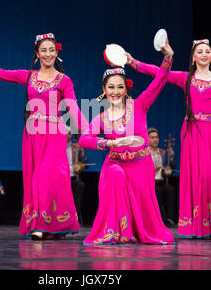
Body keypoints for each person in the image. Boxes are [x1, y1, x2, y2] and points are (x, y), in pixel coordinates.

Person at [0, 33, 87, 240]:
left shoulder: (64, 80)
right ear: (37, 54)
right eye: (43, 50)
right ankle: (46, 225)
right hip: (33, 134)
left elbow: (73, 108)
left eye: (51, 50)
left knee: (47, 176)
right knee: (35, 178)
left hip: (54, 133)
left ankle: (44, 224)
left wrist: (88, 130)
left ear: (57, 53)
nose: (47, 54)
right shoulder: (29, 76)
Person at [127, 39, 211, 238]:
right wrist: (134, 62)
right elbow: (159, 73)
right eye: (199, 51)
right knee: (198, 175)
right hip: (193, 131)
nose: (203, 54)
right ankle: (198, 224)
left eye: (207, 51)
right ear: (193, 56)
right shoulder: (186, 78)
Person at [78, 42, 175, 245]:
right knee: (115, 175)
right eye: (111, 87)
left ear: (126, 88)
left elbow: (159, 82)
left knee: (144, 219)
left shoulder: (139, 106)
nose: (115, 91)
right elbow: (84, 139)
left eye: (120, 87)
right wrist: (110, 143)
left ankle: (137, 231)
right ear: (104, 90)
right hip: (115, 163)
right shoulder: (102, 117)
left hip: (140, 165)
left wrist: (168, 58)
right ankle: (118, 231)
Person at [148, 128, 176, 227]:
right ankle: (160, 220)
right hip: (150, 182)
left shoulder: (163, 152)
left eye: (156, 137)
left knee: (171, 190)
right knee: (157, 191)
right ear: (148, 139)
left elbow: (171, 169)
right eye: (152, 138)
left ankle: (170, 219)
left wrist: (171, 158)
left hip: (161, 180)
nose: (155, 139)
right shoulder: (146, 153)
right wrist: (152, 170)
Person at [67, 130, 87, 226]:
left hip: (73, 178)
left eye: (67, 134)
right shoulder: (58, 148)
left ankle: (75, 215)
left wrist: (80, 165)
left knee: (80, 186)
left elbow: (84, 162)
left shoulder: (76, 148)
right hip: (62, 179)